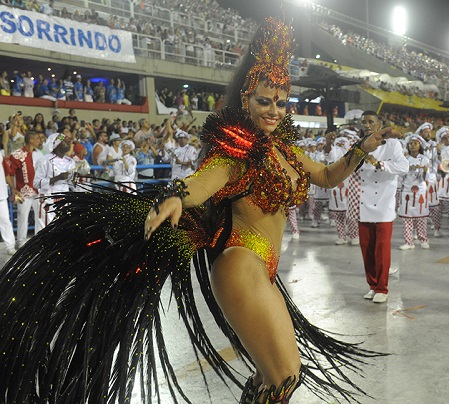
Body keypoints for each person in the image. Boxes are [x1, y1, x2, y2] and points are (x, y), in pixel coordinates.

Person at [0, 18, 388, 403]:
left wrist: (359, 150)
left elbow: (326, 175)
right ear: (245, 101)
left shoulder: (286, 151)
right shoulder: (236, 153)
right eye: (264, 101)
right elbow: (205, 180)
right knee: (285, 374)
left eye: (281, 103)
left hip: (263, 269)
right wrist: (174, 196)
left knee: (275, 379)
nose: (273, 111)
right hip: (242, 264)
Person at [354, 110, 408, 304]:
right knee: (366, 248)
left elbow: (404, 167)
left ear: (378, 125)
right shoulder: (359, 145)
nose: (367, 125)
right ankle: (372, 285)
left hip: (384, 203)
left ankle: (382, 288)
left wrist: (381, 165)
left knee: (382, 248)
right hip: (363, 202)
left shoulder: (392, 144)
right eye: (363, 122)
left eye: (370, 121)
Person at [4, 130, 45, 248]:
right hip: (23, 192)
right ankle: (21, 241)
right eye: (37, 138)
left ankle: (39, 240)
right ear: (31, 140)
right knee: (23, 216)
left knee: (40, 216)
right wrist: (13, 189)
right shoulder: (17, 155)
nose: (40, 140)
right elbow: (10, 173)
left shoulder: (39, 154)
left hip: (38, 191)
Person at [33, 132, 76, 226]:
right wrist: (58, 178)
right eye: (65, 141)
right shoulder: (45, 161)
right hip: (48, 201)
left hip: (64, 201)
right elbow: (36, 183)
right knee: (46, 231)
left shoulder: (70, 161)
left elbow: (71, 184)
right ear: (56, 144)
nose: (69, 143)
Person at [398, 133, 431, 250]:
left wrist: (425, 171)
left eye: (415, 143)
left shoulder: (425, 159)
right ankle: (408, 242)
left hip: (420, 190)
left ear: (420, 146)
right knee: (407, 217)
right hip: (407, 190)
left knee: (421, 216)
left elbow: (426, 178)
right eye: (411, 143)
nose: (412, 145)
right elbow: (401, 177)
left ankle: (423, 239)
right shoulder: (405, 159)